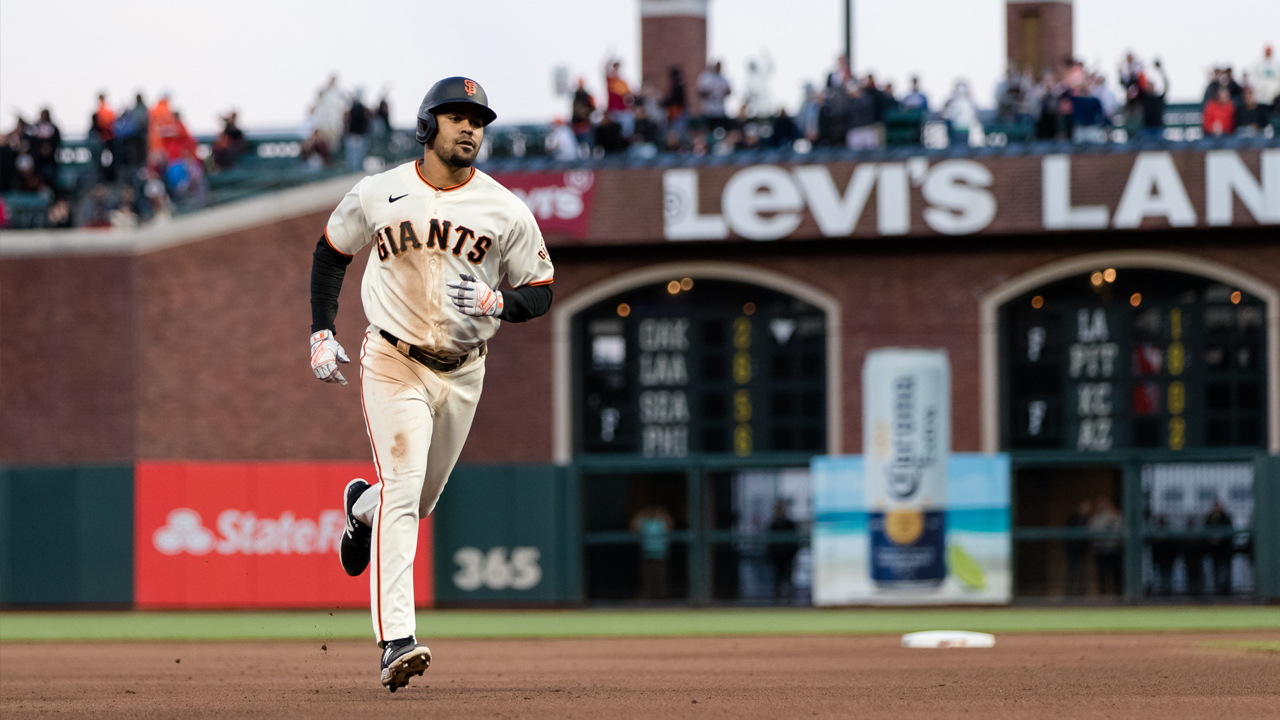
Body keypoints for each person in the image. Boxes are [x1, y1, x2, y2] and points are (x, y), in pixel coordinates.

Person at [310, 77, 554, 693]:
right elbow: (332, 250)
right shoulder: (381, 191)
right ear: (427, 126)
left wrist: (502, 301)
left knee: (413, 502)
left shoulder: (505, 208)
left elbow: (543, 290)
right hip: (393, 358)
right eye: (457, 116)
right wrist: (320, 331)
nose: (471, 128)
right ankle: (397, 639)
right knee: (407, 487)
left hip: (464, 369)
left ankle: (361, 509)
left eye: (479, 119)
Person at [631, 505, 674, 600]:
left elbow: (670, 527)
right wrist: (641, 514)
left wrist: (663, 514)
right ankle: (648, 595)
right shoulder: (645, 522)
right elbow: (634, 529)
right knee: (647, 575)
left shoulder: (662, 521)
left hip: (661, 553)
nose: (653, 512)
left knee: (660, 575)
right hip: (647, 553)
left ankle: (661, 596)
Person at [1089, 495, 1123, 596]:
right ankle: (1103, 595)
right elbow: (1091, 530)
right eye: (1099, 503)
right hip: (1100, 548)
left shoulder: (1116, 514)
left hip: (1113, 548)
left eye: (1104, 503)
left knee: (1115, 573)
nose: (1101, 505)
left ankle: (1118, 595)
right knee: (1101, 574)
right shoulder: (1096, 516)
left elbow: (1119, 530)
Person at [767, 500, 799, 601]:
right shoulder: (773, 525)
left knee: (788, 577)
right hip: (777, 556)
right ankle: (777, 599)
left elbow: (795, 540)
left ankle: (790, 599)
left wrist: (793, 553)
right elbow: (769, 542)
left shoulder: (790, 524)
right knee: (778, 578)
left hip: (788, 555)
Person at [1204, 500, 1234, 596]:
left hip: (1225, 550)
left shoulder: (1225, 518)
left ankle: (1226, 591)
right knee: (1215, 571)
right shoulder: (1209, 518)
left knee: (1225, 571)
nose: (1216, 508)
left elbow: (1230, 532)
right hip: (1214, 551)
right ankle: (1217, 591)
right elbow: (1205, 531)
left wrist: (1220, 538)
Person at [1065, 500, 1091, 596]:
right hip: (1071, 549)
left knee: (1082, 572)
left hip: (1082, 551)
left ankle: (1081, 594)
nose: (1086, 510)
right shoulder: (1072, 518)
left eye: (1087, 508)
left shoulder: (1087, 520)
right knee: (1071, 572)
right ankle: (1069, 593)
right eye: (1084, 507)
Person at [697, 60, 731, 130]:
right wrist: (710, 93)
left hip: (720, 111)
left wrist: (721, 93)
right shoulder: (706, 77)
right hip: (709, 110)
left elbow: (729, 91)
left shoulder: (723, 78)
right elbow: (700, 92)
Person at [604, 60, 634, 137]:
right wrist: (611, 57)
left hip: (623, 111)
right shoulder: (611, 80)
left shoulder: (623, 83)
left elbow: (628, 97)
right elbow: (605, 68)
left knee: (626, 132)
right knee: (613, 132)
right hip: (613, 111)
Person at [345, 89, 372, 172]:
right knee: (353, 158)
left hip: (360, 136)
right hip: (353, 136)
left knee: (360, 157)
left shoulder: (362, 109)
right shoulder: (352, 109)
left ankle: (357, 171)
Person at [570, 79, 595, 154]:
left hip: (585, 126)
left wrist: (584, 112)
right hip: (576, 126)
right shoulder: (575, 95)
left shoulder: (587, 96)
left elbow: (593, 108)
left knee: (589, 148)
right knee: (577, 149)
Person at [1252, 44, 1279, 109]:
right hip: (1260, 95)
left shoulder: (1277, 64)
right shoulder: (1258, 63)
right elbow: (1254, 77)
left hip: (1274, 96)